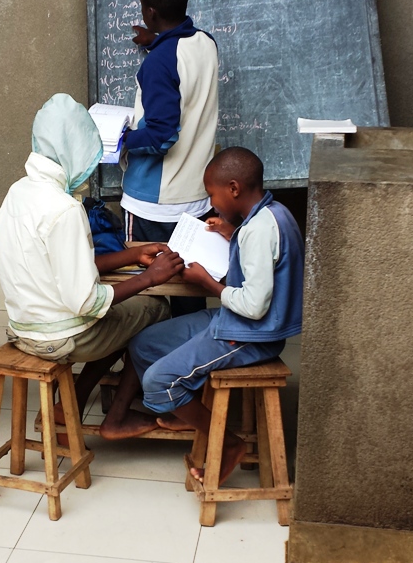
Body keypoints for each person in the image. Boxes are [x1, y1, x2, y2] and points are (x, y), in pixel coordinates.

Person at [0, 93, 186, 439]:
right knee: (155, 309)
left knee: (123, 315)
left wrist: (130, 256)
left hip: (23, 329)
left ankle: (72, 405)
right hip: (60, 337)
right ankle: (117, 416)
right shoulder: (64, 209)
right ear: (78, 155)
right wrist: (150, 277)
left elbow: (59, 264)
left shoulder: (17, 193)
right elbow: (89, 303)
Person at [113, 148, 303, 480]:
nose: (212, 204)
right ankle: (185, 408)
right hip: (236, 322)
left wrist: (207, 283)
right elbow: (263, 265)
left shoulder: (258, 230)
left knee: (159, 380)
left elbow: (254, 305)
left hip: (251, 335)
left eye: (212, 194)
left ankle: (229, 443)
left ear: (233, 188)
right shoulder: (272, 214)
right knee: (143, 343)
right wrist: (233, 236)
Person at [121, 0, 220, 317]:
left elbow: (162, 135)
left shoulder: (159, 62)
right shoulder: (205, 43)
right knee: (189, 288)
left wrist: (122, 140)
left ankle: (146, 365)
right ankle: (190, 360)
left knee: (147, 291)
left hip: (154, 202)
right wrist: (154, 40)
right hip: (196, 196)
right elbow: (181, 69)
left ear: (149, 12)